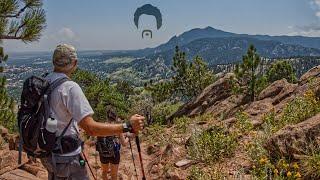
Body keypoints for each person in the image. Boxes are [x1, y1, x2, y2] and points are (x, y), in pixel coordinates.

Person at [40, 44, 145, 180]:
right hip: (66, 157)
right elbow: (91, 129)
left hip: (46, 153)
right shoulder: (69, 88)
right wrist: (127, 126)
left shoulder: (44, 81)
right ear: (75, 63)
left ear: (54, 61)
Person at [96, 107, 129, 180]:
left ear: (107, 116)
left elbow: (96, 140)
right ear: (116, 117)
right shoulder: (117, 128)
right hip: (115, 154)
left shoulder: (101, 126)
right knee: (114, 176)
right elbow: (124, 143)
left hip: (103, 153)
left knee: (104, 172)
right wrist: (128, 138)